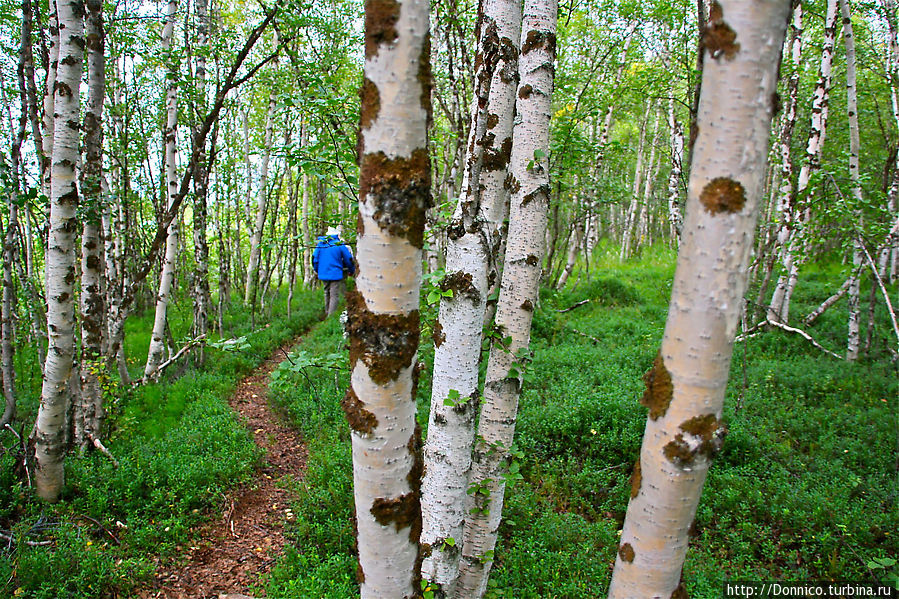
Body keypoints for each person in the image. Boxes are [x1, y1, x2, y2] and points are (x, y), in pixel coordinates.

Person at [312, 227, 355, 315]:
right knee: (334, 295)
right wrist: (351, 270)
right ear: (336, 235)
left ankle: (327, 311)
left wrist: (317, 270)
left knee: (326, 292)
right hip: (335, 273)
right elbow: (348, 258)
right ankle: (330, 317)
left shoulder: (320, 244)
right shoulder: (339, 244)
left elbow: (314, 258)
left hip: (323, 273)